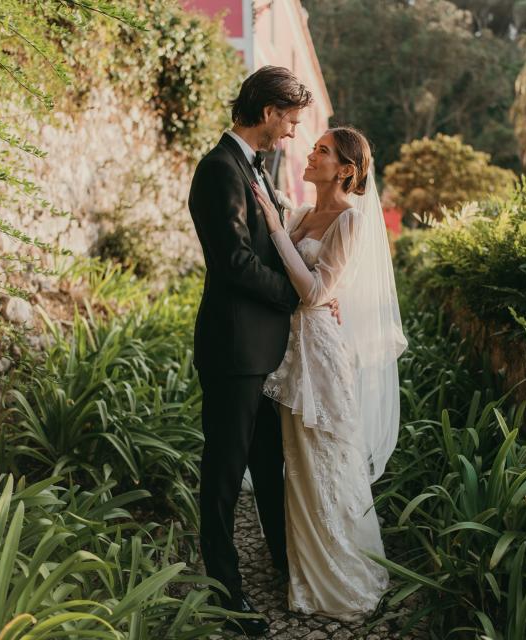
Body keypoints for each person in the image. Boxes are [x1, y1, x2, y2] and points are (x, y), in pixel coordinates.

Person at [187, 66, 339, 636]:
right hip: (233, 348)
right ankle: (226, 593)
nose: (292, 135)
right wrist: (294, 299)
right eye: (292, 122)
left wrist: (317, 289)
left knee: (269, 468)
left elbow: (277, 244)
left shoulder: (255, 168)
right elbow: (233, 261)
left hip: (262, 351)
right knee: (224, 474)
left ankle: (283, 563)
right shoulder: (217, 170)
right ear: (270, 111)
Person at [254, 127, 408, 621]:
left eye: (321, 150)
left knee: (326, 457)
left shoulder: (351, 219)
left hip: (320, 354)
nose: (310, 153)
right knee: (297, 463)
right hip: (292, 347)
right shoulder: (302, 214)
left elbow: (316, 292)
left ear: (346, 169)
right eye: (313, 146)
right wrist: (279, 219)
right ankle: (307, 570)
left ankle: (342, 577)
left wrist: (278, 234)